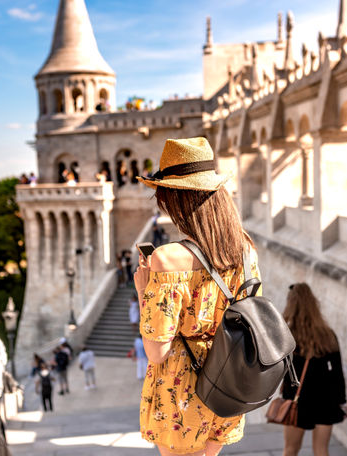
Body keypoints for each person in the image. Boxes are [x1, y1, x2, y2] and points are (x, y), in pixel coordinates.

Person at [134, 137, 261, 455]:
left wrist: (142, 289)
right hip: (230, 382)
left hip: (182, 391)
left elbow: (157, 351)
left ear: (174, 199)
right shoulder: (245, 250)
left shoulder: (166, 259)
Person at [281, 283, 347, 456]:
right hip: (326, 401)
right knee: (321, 450)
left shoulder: (287, 335)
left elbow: (281, 371)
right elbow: (337, 373)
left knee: (290, 450)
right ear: (313, 304)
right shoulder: (327, 335)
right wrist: (341, 401)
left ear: (291, 304)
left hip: (298, 400)